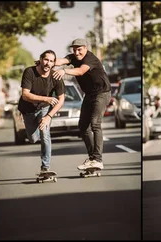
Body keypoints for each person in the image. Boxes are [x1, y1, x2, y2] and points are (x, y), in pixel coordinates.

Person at [52, 38, 111, 171]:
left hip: (102, 93)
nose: (77, 53)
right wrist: (46, 62)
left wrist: (64, 71)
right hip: (89, 95)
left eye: (79, 49)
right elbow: (61, 61)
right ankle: (92, 159)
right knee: (83, 126)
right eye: (74, 50)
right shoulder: (73, 57)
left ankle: (97, 159)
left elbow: (80, 71)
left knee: (95, 123)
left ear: (85, 48)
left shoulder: (90, 58)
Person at [18, 50, 65, 178]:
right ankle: (35, 127)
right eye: (46, 60)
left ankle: (45, 167)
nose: (48, 63)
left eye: (51, 61)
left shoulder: (56, 77)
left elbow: (61, 100)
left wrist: (49, 116)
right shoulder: (30, 72)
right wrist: (46, 99)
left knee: (45, 134)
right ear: (40, 59)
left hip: (44, 109)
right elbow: (25, 95)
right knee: (33, 138)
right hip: (28, 109)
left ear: (54, 63)